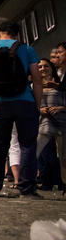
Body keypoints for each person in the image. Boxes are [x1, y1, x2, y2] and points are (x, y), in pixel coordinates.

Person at [0, 21, 42, 199]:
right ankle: (27, 189)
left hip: (0, 104)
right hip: (25, 101)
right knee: (27, 145)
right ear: (17, 34)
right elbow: (37, 79)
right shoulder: (27, 49)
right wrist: (37, 103)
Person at [36, 58, 66, 187]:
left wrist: (60, 108)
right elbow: (31, 105)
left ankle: (64, 184)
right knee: (34, 152)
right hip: (43, 125)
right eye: (40, 67)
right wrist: (39, 109)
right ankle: (27, 182)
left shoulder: (60, 85)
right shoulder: (34, 86)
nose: (43, 69)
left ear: (51, 68)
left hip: (61, 124)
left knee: (64, 158)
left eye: (46, 66)